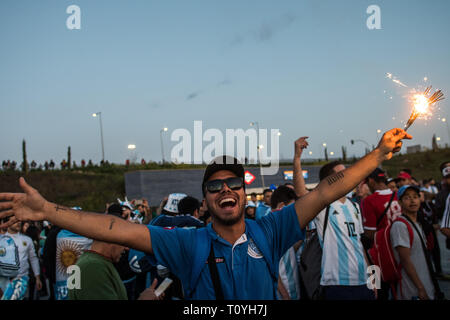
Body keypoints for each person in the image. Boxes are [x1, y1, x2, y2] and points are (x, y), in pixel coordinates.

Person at [0, 128, 412, 299]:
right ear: (207, 199)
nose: (225, 190)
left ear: (244, 193)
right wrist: (48, 211)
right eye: (214, 186)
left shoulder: (271, 230)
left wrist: (377, 154)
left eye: (233, 183)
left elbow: (327, 190)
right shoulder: (187, 242)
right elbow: (115, 228)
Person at [314, 161, 374, 300]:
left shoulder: (354, 206)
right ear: (329, 180)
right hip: (337, 284)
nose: (348, 175)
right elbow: (300, 192)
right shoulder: (323, 206)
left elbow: (360, 245)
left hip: (364, 282)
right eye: (343, 173)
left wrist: (373, 280)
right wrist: (297, 157)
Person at [390, 185, 438, 300]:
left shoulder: (418, 224)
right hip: (412, 288)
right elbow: (405, 260)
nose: (412, 201)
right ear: (400, 202)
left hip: (426, 283)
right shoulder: (400, 226)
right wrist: (420, 288)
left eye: (415, 197)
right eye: (407, 198)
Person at [68, 209, 128, 300]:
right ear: (111, 238)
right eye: (124, 241)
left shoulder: (92, 262)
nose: (127, 248)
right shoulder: (92, 267)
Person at [0, 221, 42, 300]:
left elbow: (33, 259)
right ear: (7, 223)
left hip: (22, 281)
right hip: (4, 281)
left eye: (19, 221)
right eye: (14, 221)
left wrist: (37, 277)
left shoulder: (27, 240)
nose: (18, 223)